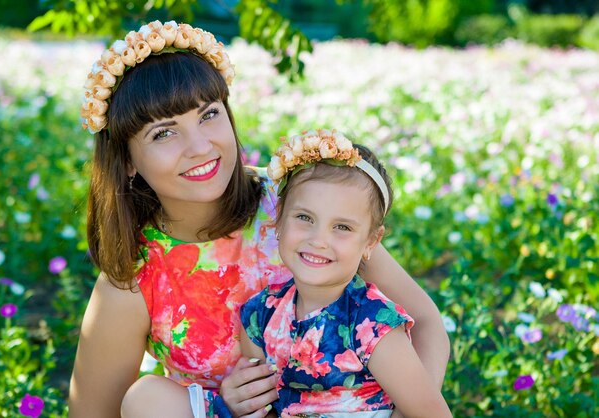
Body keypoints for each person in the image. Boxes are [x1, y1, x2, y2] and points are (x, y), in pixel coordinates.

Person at [68, 19, 450, 418]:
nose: (200, 146)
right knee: (148, 400)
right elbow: (93, 413)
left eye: (209, 114)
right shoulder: (136, 278)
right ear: (127, 160)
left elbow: (424, 323)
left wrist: (408, 409)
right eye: (164, 133)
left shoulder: (297, 208)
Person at [239, 131, 452, 417]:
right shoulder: (259, 315)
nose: (319, 240)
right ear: (279, 220)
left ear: (370, 243)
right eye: (305, 217)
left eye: (342, 227)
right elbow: (261, 406)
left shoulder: (373, 326)